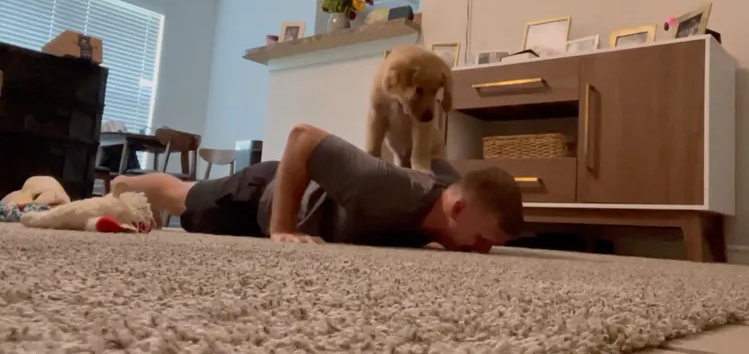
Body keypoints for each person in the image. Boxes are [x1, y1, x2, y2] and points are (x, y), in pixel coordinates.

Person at [111, 124, 524, 253]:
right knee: (185, 197)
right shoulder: (383, 188)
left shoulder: (451, 194)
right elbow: (302, 137)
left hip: (293, 197)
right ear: (457, 210)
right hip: (260, 194)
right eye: (483, 240)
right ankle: (124, 182)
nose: (483, 251)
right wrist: (281, 228)